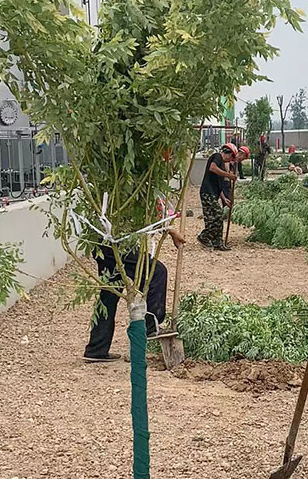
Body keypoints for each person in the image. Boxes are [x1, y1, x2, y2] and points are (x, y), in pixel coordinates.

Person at [84, 207, 185, 363]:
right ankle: (151, 326)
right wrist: (170, 231)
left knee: (110, 291)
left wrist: (170, 231)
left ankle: (96, 349)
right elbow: (145, 208)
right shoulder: (132, 184)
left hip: (101, 240)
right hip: (114, 241)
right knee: (156, 272)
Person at [198, 143, 236, 250]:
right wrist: (228, 175)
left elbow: (219, 186)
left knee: (217, 217)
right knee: (216, 215)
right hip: (207, 192)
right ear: (228, 153)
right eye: (231, 157)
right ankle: (204, 236)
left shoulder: (222, 165)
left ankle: (217, 241)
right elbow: (212, 168)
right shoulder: (217, 157)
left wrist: (224, 199)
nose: (231, 160)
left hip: (214, 193)